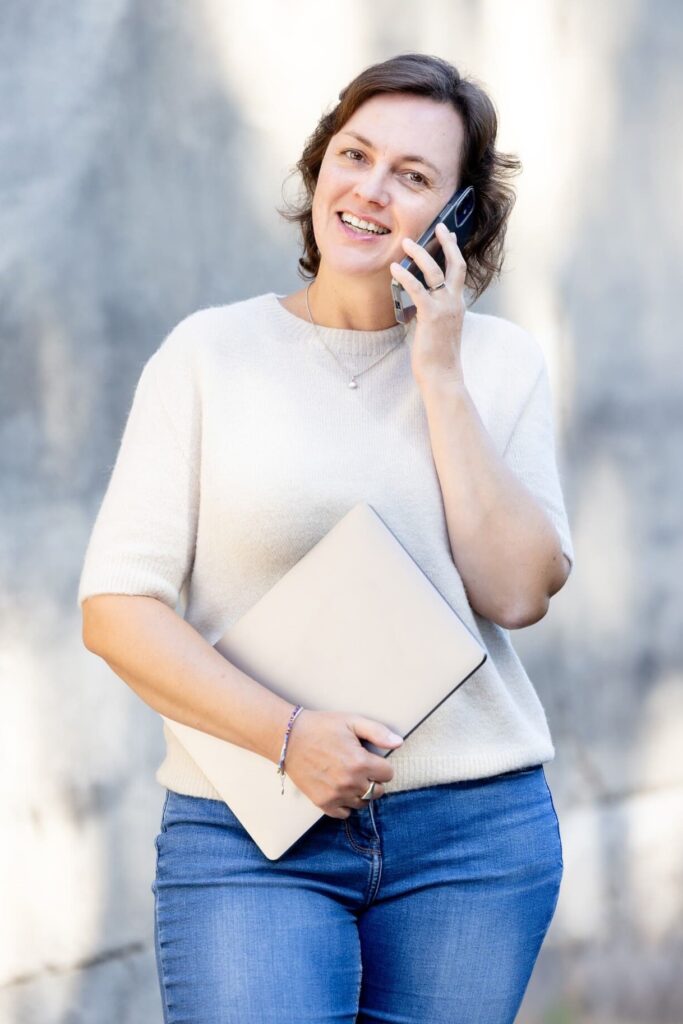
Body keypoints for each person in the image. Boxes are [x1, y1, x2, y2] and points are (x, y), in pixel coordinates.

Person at [78, 52, 574, 1024]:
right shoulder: (207, 355)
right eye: (354, 154)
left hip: (470, 837)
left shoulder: (498, 365)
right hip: (251, 828)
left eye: (414, 176)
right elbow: (116, 610)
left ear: (457, 214)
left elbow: (516, 590)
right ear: (317, 166)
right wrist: (289, 735)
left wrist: (436, 370)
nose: (370, 190)